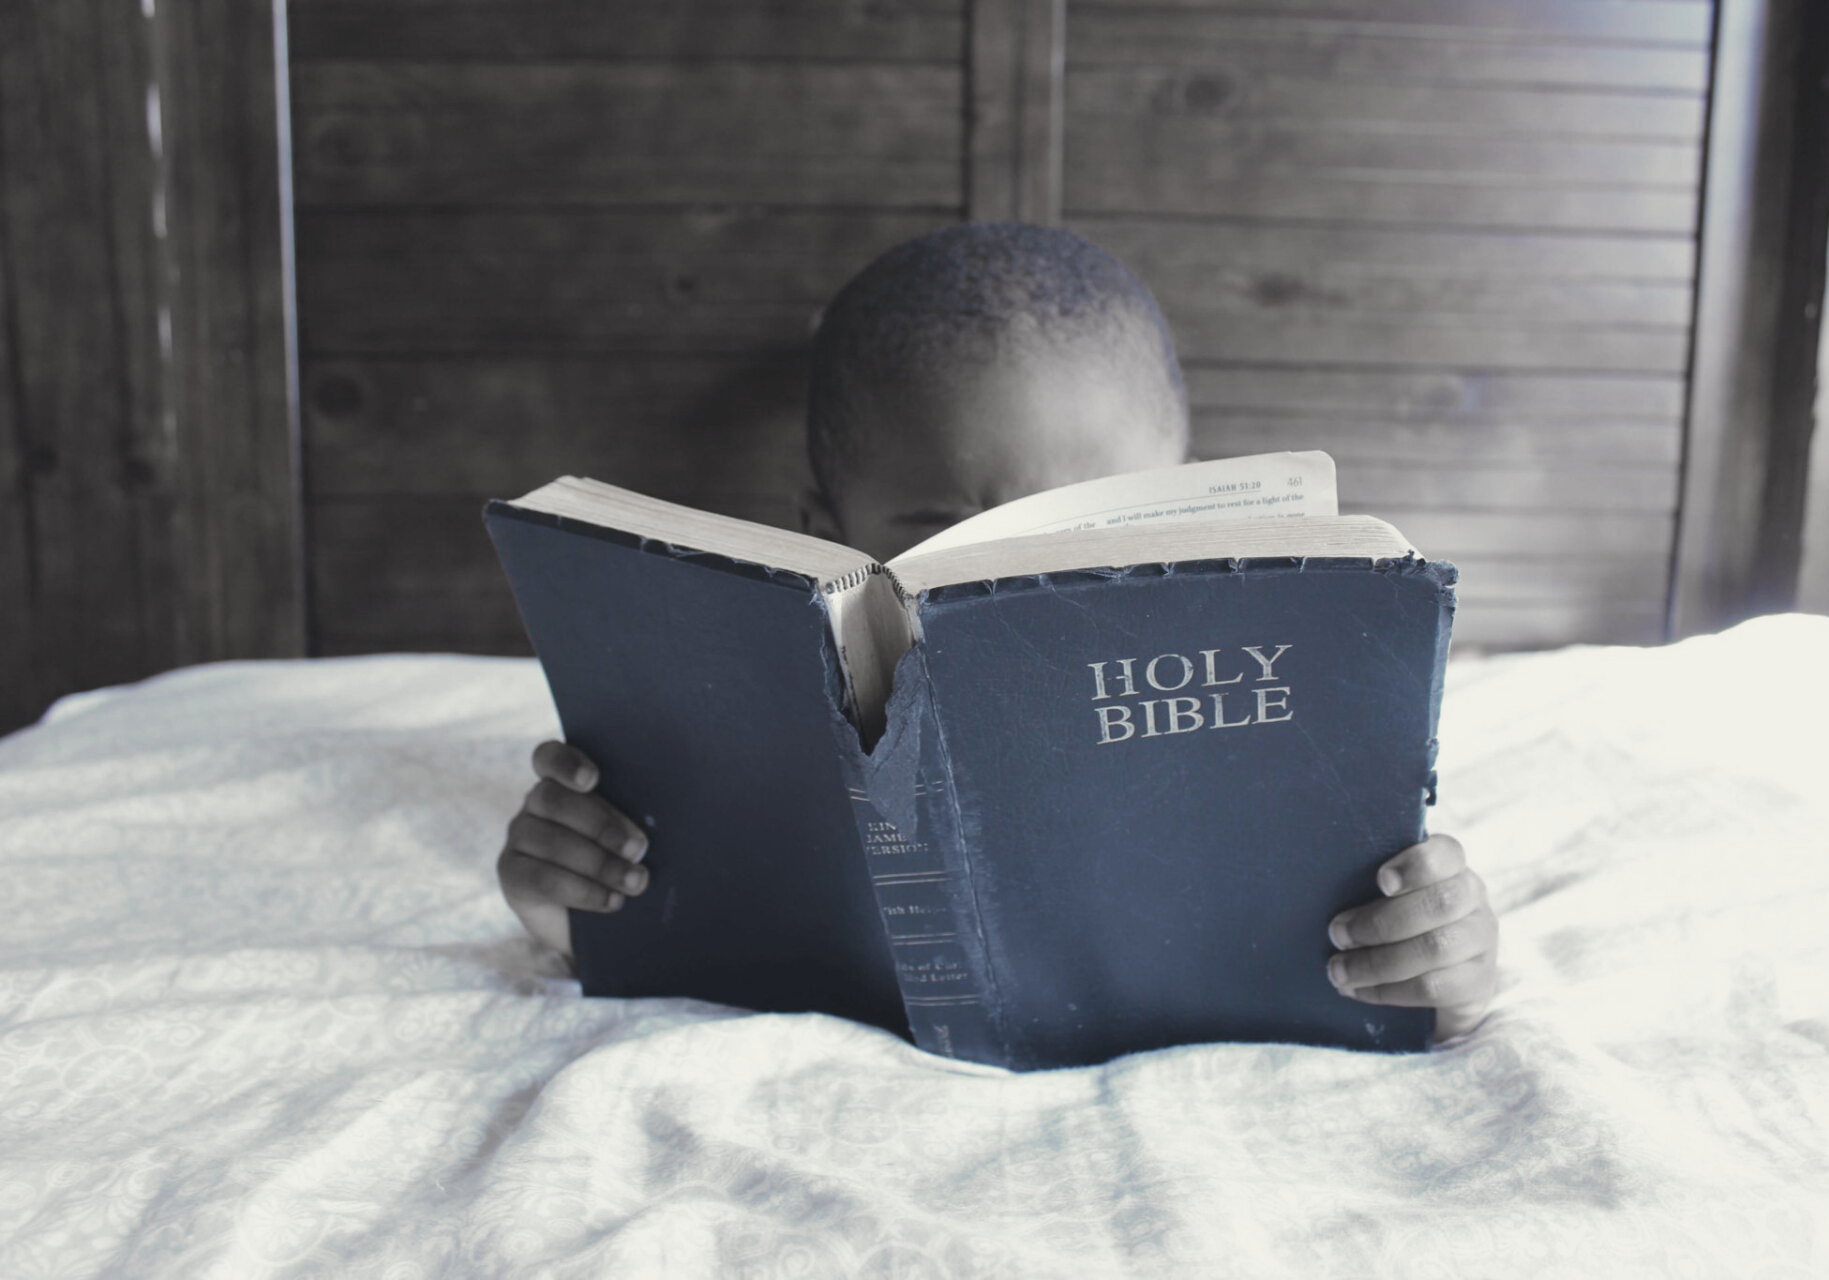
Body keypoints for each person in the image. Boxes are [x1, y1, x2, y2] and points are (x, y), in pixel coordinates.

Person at [497, 223, 1499, 1043]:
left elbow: (1406, 950)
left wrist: (1435, 959)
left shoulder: (1283, 707)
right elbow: (671, 928)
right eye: (948, 535)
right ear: (824, 534)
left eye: (1098, 521)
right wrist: (576, 901)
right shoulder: (746, 723)